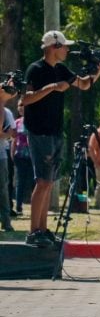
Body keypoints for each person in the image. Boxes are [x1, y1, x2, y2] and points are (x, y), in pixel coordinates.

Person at [20, 30, 100, 247]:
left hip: (56, 131)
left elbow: (84, 84)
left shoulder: (61, 69)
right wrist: (52, 88)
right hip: (39, 131)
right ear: (53, 47)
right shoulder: (36, 69)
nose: (67, 49)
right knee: (42, 181)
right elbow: (25, 99)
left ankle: (43, 229)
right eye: (64, 46)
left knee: (49, 182)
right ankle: (33, 232)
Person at [13, 103, 33, 218]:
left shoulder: (34, 121)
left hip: (32, 155)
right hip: (20, 155)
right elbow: (14, 139)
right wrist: (13, 153)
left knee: (33, 181)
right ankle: (18, 206)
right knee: (20, 181)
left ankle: (34, 206)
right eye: (20, 107)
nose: (22, 109)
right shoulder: (17, 122)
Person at [0, 91, 14, 232]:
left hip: (1, 155)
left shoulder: (7, 112)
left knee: (3, 189)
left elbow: (11, 132)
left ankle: (6, 222)